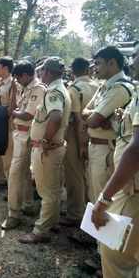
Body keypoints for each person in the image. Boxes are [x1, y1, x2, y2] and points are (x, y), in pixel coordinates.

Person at [91, 52, 139, 277]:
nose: (132, 61)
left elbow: (136, 149)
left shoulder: (123, 88)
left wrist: (105, 198)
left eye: (137, 55)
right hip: (130, 185)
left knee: (116, 253)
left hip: (132, 190)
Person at [18, 57, 71, 244]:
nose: (39, 74)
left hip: (48, 149)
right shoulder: (59, 89)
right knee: (53, 189)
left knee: (46, 191)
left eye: (41, 71)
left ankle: (40, 231)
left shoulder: (54, 92)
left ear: (48, 72)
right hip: (53, 147)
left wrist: (46, 140)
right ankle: (52, 221)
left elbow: (55, 117)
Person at [83, 46, 134, 204]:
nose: (94, 68)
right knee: (93, 193)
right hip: (97, 147)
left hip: (108, 150)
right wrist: (95, 116)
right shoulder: (104, 86)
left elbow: (92, 121)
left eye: (98, 63)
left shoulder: (120, 88)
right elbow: (85, 112)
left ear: (112, 63)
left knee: (103, 200)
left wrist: (96, 117)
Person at [1, 60, 46, 230]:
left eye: (18, 78)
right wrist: (14, 93)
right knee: (24, 172)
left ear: (26, 75)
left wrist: (13, 112)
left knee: (14, 173)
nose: (17, 81)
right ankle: (28, 204)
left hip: (29, 134)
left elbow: (27, 115)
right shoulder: (24, 87)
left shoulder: (38, 89)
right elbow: (16, 108)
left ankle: (13, 213)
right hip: (19, 133)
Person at [61, 58, 99, 227]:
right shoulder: (98, 86)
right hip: (97, 136)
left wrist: (81, 144)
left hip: (77, 136)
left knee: (74, 174)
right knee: (91, 176)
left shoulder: (74, 89)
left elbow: (77, 120)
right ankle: (90, 208)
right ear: (88, 69)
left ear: (73, 70)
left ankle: (75, 212)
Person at [0, 56, 15, 183]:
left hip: (7, 124)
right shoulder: (0, 82)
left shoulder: (13, 83)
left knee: (8, 155)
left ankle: (11, 187)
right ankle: (2, 180)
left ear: (6, 68)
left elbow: (12, 106)